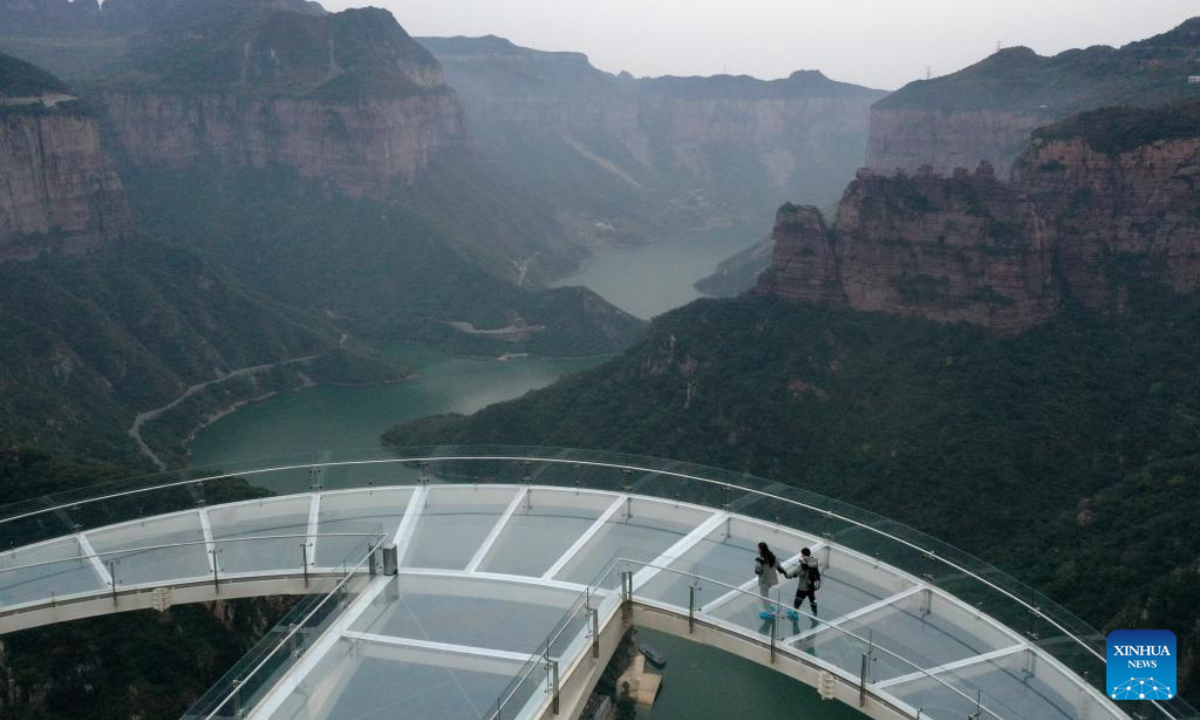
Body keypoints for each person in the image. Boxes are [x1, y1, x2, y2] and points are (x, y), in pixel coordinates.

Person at [785, 547, 819, 620]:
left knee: (798, 600)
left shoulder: (803, 564)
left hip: (802, 587)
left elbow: (794, 573)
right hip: (811, 587)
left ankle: (795, 614)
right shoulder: (813, 562)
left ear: (803, 554)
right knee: (812, 600)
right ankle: (815, 614)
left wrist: (787, 575)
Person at [754, 542, 781, 620]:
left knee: (764, 595)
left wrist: (757, 567)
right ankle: (769, 607)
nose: (757, 550)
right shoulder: (772, 556)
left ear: (761, 549)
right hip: (771, 579)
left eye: (758, 548)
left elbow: (758, 571)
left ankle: (768, 612)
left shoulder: (760, 560)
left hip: (764, 581)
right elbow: (778, 565)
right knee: (766, 593)